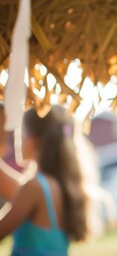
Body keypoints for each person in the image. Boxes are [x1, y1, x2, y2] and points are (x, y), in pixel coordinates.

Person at [0, 104, 91, 256]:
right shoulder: (55, 186)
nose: (15, 137)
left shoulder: (34, 188)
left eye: (20, 130)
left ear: (34, 140)